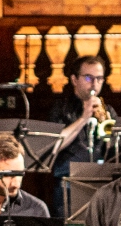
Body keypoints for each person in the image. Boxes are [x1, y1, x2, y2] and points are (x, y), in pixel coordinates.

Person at [45, 53, 112, 210]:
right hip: (68, 181)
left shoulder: (108, 111)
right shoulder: (61, 108)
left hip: (102, 180)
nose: (94, 84)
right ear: (74, 79)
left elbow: (114, 150)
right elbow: (53, 145)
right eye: (88, 78)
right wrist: (84, 118)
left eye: (99, 78)